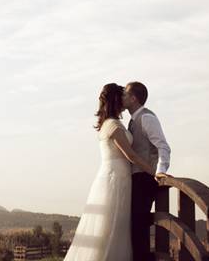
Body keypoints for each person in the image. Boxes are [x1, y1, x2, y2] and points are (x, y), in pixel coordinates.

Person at [64, 83, 154, 261]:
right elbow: (131, 156)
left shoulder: (110, 123)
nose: (124, 98)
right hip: (117, 178)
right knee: (112, 225)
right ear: (116, 100)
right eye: (121, 95)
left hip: (115, 175)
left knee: (112, 226)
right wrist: (154, 171)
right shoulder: (113, 125)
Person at [123, 81, 171, 261]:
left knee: (139, 225)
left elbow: (163, 147)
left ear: (134, 98)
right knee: (135, 225)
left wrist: (159, 171)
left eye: (125, 94)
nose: (122, 98)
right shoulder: (133, 120)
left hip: (145, 178)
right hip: (135, 177)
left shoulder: (147, 118)